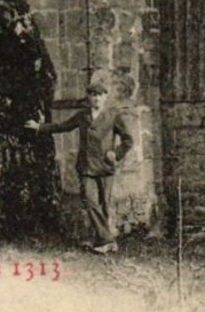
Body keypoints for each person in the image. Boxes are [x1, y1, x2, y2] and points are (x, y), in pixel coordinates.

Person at [26, 82, 132, 253]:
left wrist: (116, 153)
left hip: (105, 166)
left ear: (105, 96)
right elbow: (62, 127)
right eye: (92, 95)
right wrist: (39, 127)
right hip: (86, 167)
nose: (96, 98)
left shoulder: (113, 115)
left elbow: (128, 140)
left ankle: (103, 242)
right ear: (89, 97)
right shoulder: (82, 116)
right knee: (90, 202)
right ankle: (107, 239)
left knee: (104, 204)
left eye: (99, 95)